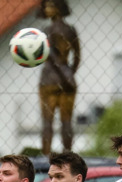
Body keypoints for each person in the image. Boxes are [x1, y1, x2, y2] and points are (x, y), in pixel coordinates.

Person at [38, 0, 80, 155]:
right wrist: (68, 73)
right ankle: (67, 153)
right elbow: (77, 57)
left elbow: (46, 55)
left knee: (47, 121)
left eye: (50, 6)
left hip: (48, 79)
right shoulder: (71, 30)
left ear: (57, 9)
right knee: (66, 121)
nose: (47, 9)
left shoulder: (46, 31)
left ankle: (46, 154)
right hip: (68, 79)